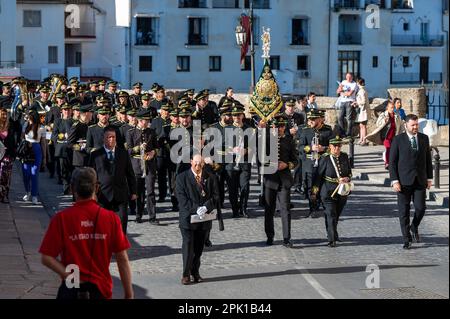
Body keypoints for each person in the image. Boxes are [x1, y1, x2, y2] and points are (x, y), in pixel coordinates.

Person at [39, 167, 133, 299]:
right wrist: (129, 294)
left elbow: (47, 257)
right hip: (100, 287)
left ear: (72, 189)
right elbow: (122, 258)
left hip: (71, 287)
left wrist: (70, 276)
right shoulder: (111, 218)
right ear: (96, 188)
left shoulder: (62, 218)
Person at [389, 114, 433, 250]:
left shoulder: (424, 138)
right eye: (413, 125)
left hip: (420, 180)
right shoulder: (398, 140)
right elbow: (392, 162)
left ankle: (414, 227)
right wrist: (394, 181)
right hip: (403, 182)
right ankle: (406, 239)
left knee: (421, 208)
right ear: (406, 125)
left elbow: (428, 160)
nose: (415, 127)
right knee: (404, 211)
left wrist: (429, 178)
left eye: (416, 125)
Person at [176, 154, 219, 285]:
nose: (198, 166)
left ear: (203, 164)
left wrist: (206, 207)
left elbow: (217, 196)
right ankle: (186, 274)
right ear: (191, 162)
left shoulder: (210, 177)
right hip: (188, 219)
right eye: (195, 163)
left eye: (200, 163)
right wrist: (196, 209)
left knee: (199, 249)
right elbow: (182, 200)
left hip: (204, 220)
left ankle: (195, 272)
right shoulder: (181, 178)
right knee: (188, 246)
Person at [89, 127, 137, 234]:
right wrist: (92, 193)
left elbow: (130, 173)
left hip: (120, 194)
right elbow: (91, 175)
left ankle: (121, 246)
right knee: (103, 224)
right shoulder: (96, 155)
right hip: (103, 196)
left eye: (113, 137)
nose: (111, 139)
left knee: (122, 222)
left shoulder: (123, 153)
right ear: (104, 138)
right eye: (108, 137)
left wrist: (133, 191)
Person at [312, 136, 352, 248]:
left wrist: (347, 179)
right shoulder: (325, 158)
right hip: (327, 191)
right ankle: (331, 239)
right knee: (330, 213)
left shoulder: (344, 157)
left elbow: (349, 172)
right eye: (335, 146)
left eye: (339, 146)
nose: (337, 148)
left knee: (336, 214)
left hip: (342, 191)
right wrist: (314, 192)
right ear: (330, 146)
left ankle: (333, 232)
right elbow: (318, 177)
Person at [263, 116, 298, 247]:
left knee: (285, 209)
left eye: (282, 126)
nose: (280, 129)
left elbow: (296, 160)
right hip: (270, 179)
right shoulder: (266, 140)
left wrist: (287, 165)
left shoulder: (289, 141)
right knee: (269, 209)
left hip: (284, 180)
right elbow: (260, 160)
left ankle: (287, 238)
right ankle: (269, 236)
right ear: (273, 127)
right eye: (277, 126)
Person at [126, 109, 159, 224]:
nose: (147, 122)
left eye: (147, 120)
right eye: (145, 120)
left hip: (150, 165)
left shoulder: (151, 132)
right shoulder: (130, 132)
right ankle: (138, 215)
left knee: (150, 191)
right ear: (140, 120)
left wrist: (153, 153)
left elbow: (157, 147)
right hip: (136, 165)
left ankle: (152, 216)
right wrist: (138, 148)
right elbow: (128, 151)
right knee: (138, 192)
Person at [367, 101, 403, 169]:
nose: (392, 109)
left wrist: (402, 134)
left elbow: (400, 125)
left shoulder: (397, 115)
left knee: (394, 150)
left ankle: (392, 162)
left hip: (394, 136)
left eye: (393, 107)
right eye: (391, 108)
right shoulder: (383, 115)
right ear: (387, 108)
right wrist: (384, 121)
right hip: (386, 136)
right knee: (388, 149)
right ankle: (387, 163)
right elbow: (378, 124)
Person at [22, 110, 45, 205]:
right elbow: (22, 137)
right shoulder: (25, 125)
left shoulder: (41, 128)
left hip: (37, 149)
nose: (28, 120)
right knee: (26, 173)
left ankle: (34, 195)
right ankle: (28, 192)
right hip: (26, 149)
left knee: (34, 173)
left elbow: (44, 143)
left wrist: (45, 157)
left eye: (30, 118)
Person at [0, 107, 19, 203]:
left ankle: (4, 195)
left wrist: (11, 150)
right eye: (2, 114)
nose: (4, 116)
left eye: (5, 114)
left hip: (8, 156)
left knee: (6, 177)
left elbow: (13, 141)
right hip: (0, 156)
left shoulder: (10, 126)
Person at [336, 73, 358, 138]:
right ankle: (342, 133)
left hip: (349, 102)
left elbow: (350, 94)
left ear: (352, 77)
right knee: (340, 118)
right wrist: (341, 89)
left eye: (350, 77)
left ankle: (348, 133)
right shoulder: (343, 82)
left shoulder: (354, 84)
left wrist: (342, 92)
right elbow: (337, 91)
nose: (348, 78)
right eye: (347, 77)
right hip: (342, 102)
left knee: (349, 119)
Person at [354, 78, 369, 145]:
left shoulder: (362, 91)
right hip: (361, 110)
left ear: (358, 83)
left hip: (363, 110)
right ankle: (361, 139)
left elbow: (363, 101)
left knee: (363, 125)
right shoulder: (361, 90)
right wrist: (356, 102)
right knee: (361, 125)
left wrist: (357, 103)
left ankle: (364, 140)